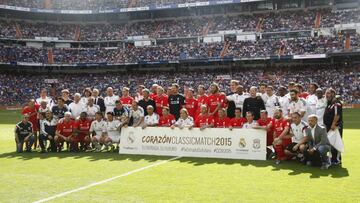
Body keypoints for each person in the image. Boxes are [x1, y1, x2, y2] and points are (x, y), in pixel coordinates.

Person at [323, 88, 343, 165]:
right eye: (326, 93)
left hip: (335, 126)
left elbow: (337, 114)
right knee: (331, 142)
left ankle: (337, 159)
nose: (326, 95)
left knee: (336, 142)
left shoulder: (336, 103)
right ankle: (333, 158)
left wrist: (333, 124)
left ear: (333, 94)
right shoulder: (329, 103)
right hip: (329, 126)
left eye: (328, 93)